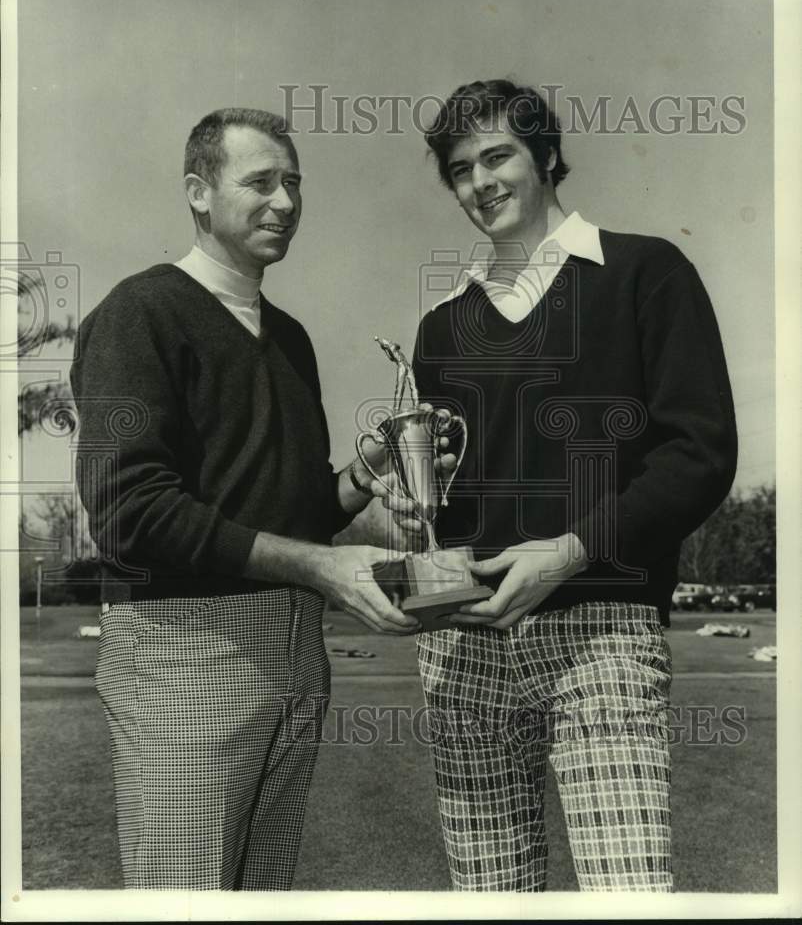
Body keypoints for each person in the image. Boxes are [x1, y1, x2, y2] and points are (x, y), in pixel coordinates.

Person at [394, 79, 737, 891]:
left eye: (498, 155)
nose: (481, 181)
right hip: (465, 639)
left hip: (603, 628)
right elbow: (441, 492)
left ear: (547, 156)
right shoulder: (442, 324)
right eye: (460, 168)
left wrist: (572, 550)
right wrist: (415, 508)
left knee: (628, 893)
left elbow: (700, 454)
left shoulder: (644, 271)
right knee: (490, 901)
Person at [69, 107, 420, 891]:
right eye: (260, 182)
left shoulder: (289, 337)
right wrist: (320, 568)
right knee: (184, 903)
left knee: (259, 905)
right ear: (198, 192)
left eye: (294, 183)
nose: (286, 202)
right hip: (185, 654)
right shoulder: (141, 313)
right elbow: (131, 512)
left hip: (296, 657)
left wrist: (366, 471)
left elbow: (287, 514)